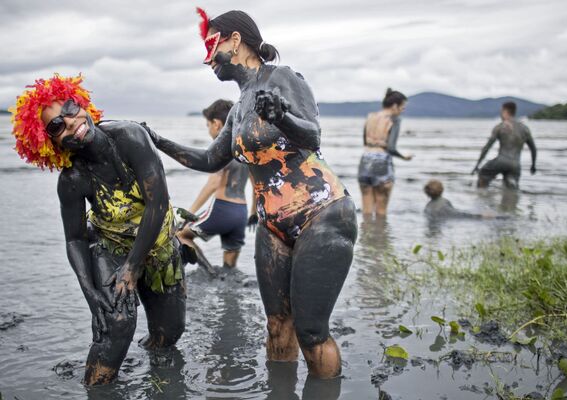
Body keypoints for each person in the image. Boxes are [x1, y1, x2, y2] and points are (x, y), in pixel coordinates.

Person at [145, 8, 358, 379]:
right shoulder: (240, 105)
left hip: (320, 212)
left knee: (311, 331)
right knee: (277, 323)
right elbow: (211, 159)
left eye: (212, 45)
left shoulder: (283, 77)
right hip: (272, 223)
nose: (207, 57)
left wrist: (282, 117)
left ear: (235, 40)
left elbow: (312, 135)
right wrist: (156, 141)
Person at [10, 75, 186, 385]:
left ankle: (158, 380)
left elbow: (158, 204)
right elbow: (75, 239)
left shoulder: (130, 137)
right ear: (48, 143)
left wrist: (133, 268)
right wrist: (91, 294)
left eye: (69, 107)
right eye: (55, 127)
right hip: (111, 245)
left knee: (169, 333)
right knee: (116, 324)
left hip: (157, 241)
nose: (69, 122)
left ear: (81, 102)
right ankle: (98, 386)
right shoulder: (72, 180)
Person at [176, 99, 251, 269]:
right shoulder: (243, 147)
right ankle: (226, 284)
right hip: (241, 213)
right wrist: (254, 212)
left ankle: (209, 273)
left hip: (222, 209)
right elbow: (255, 181)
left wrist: (189, 213)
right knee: (230, 267)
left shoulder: (221, 147)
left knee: (181, 235)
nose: (208, 129)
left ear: (216, 124)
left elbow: (213, 183)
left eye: (208, 125)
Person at [358, 88, 413, 217]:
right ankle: (380, 236)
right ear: (395, 106)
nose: (402, 110)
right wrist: (404, 157)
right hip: (381, 162)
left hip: (365, 160)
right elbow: (391, 148)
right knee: (381, 212)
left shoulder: (370, 117)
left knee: (366, 211)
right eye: (402, 107)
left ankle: (367, 235)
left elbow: (365, 142)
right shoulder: (395, 120)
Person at [471, 101, 537, 189]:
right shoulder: (524, 129)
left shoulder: (500, 127)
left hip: (501, 161)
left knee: (483, 174)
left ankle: (483, 196)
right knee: (511, 185)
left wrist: (477, 165)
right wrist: (533, 165)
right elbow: (533, 149)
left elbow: (487, 147)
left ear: (505, 111)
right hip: (515, 165)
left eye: (502, 111)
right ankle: (510, 193)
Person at [424, 179, 493, 219]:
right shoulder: (444, 202)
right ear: (442, 190)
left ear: (427, 193)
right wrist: (480, 216)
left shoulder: (428, 206)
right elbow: (458, 214)